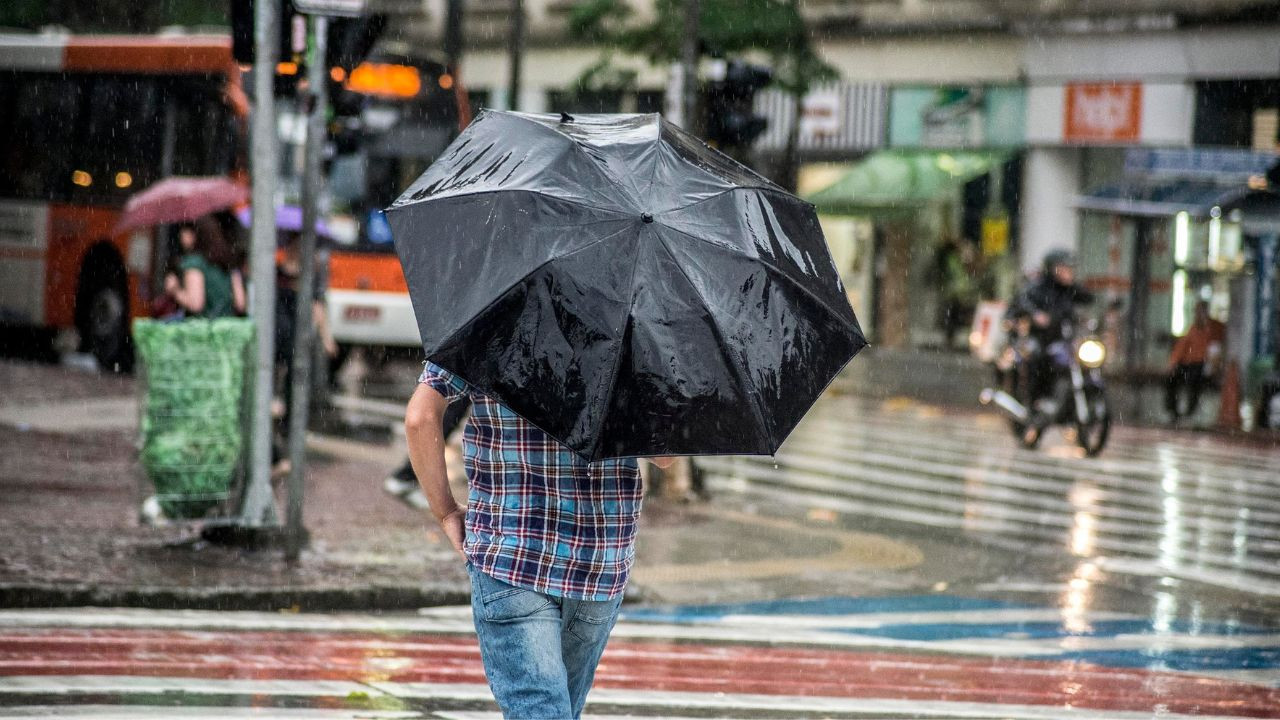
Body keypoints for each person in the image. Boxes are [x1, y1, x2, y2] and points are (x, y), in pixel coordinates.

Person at [405, 361, 674, 719]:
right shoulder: (627, 329)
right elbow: (665, 455)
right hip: (597, 563)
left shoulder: (485, 315)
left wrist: (446, 511)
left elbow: (420, 418)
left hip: (510, 553)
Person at [1004, 250, 1095, 411]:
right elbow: (1021, 302)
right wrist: (1036, 315)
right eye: (1064, 268)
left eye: (1070, 269)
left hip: (1064, 340)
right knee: (1037, 359)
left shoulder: (1070, 289)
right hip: (1041, 338)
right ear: (1052, 269)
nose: (1068, 273)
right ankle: (1035, 400)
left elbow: (1089, 299)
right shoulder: (1038, 287)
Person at [163, 214, 246, 320]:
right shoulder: (226, 261)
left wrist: (175, 290)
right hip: (226, 330)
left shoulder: (194, 263)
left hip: (203, 330)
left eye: (184, 231)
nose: (180, 236)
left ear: (193, 234)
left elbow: (196, 304)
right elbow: (240, 303)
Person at [1165, 300, 1226, 424]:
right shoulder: (1193, 329)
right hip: (1188, 364)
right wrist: (1173, 363)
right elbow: (1181, 348)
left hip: (1202, 365)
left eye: (1200, 311)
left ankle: (1190, 412)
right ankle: (1173, 411)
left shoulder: (1214, 329)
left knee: (1195, 379)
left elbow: (1215, 351)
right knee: (1171, 378)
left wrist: (1213, 368)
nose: (1197, 314)